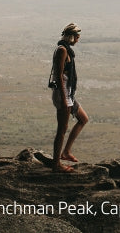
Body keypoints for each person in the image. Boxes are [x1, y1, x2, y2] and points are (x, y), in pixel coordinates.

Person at [50, 22, 89, 173]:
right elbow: (58, 75)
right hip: (63, 94)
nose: (78, 40)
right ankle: (56, 164)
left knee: (83, 119)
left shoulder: (66, 49)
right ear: (72, 37)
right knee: (62, 129)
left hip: (68, 94)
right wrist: (64, 98)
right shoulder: (62, 50)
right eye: (77, 37)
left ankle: (66, 152)